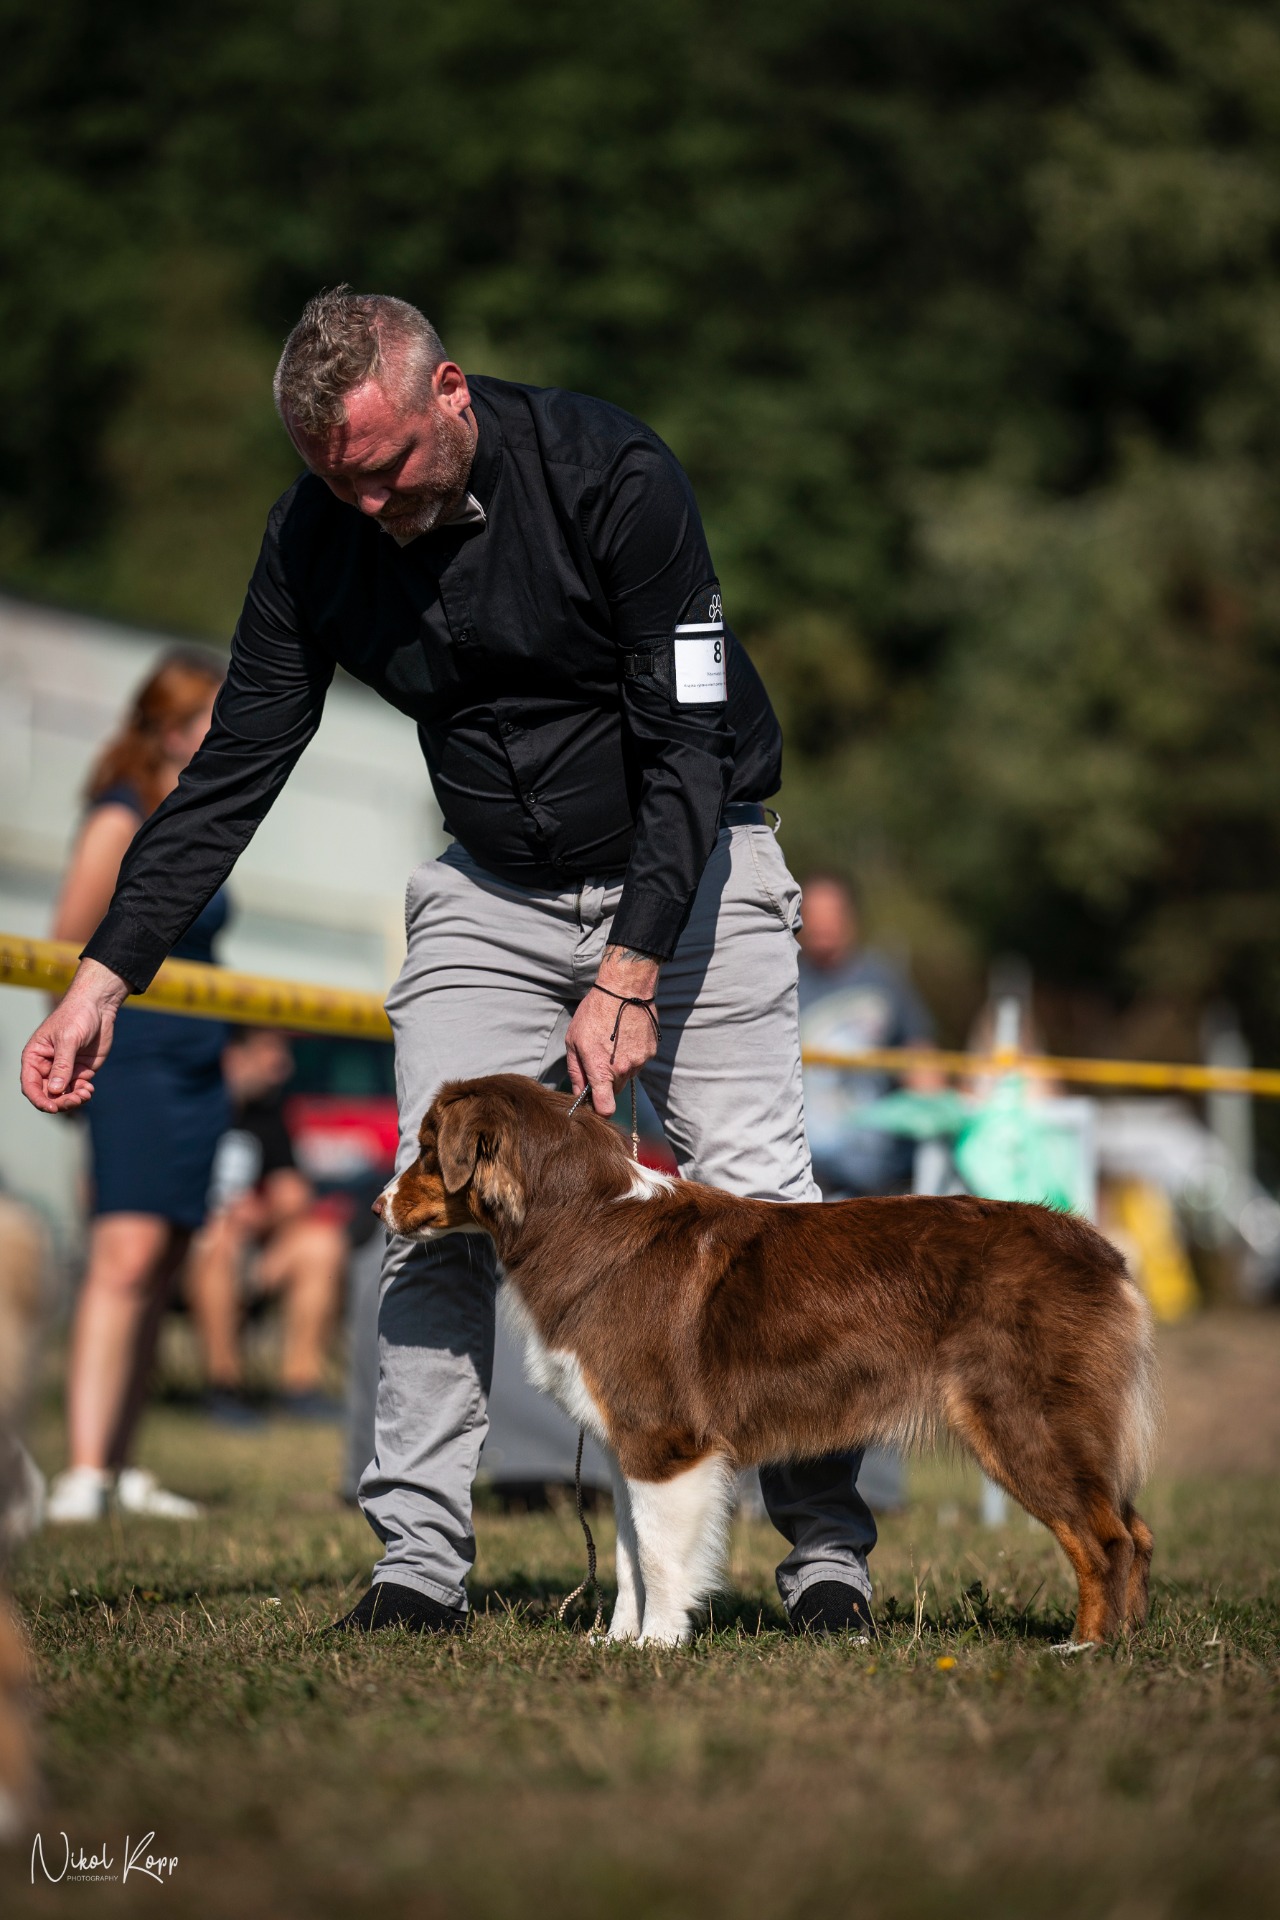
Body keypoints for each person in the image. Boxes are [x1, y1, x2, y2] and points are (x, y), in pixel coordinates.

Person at [22, 288, 878, 1634]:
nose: (370, 509)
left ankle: (825, 1554)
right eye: (336, 484)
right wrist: (102, 975)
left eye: (387, 471)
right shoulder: (319, 535)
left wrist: (634, 967)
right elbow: (235, 766)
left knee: (766, 1209)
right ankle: (418, 1564)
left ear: (451, 394)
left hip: (694, 856)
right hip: (493, 888)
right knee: (429, 1209)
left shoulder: (617, 479)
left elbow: (690, 745)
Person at [43, 651, 228, 1523]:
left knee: (162, 1261)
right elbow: (67, 944)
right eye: (210, 721)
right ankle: (81, 1467)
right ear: (169, 725)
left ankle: (119, 1464)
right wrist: (73, 1062)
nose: (225, 735)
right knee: (120, 1260)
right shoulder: (119, 817)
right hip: (133, 1058)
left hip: (196, 1062)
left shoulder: (194, 813)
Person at [189, 1027, 346, 1422]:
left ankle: (300, 1385)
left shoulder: (267, 1113)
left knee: (322, 1242)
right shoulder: (187, 1107)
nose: (284, 1066)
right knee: (218, 1241)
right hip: (187, 1250)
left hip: (250, 1250)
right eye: (271, 1052)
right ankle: (223, 1385)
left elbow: (293, 1194)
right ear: (234, 1056)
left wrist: (258, 1215)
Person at [797, 874, 938, 1199]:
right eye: (813, 915)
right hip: (809, 1168)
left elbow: (919, 1055)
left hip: (880, 1167)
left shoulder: (883, 979)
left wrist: (941, 1111)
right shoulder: (786, 981)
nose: (822, 925)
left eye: (831, 914)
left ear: (850, 918)